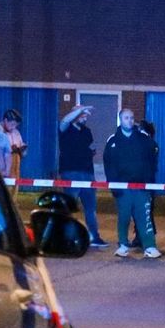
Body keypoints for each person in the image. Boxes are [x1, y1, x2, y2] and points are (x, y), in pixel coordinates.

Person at [104, 108, 161, 258]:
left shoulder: (143, 139)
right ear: (120, 120)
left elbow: (154, 153)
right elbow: (108, 164)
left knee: (144, 217)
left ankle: (150, 246)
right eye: (126, 118)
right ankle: (123, 245)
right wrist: (114, 186)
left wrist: (149, 179)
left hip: (141, 187)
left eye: (131, 118)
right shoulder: (112, 141)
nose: (129, 120)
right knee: (123, 217)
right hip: (122, 188)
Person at [59, 104, 109, 248]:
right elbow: (64, 122)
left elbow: (88, 147)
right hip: (71, 172)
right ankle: (65, 238)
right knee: (69, 207)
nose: (85, 117)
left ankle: (94, 236)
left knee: (90, 208)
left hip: (87, 173)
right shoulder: (66, 129)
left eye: (86, 115)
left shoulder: (87, 131)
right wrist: (80, 109)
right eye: (82, 115)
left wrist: (90, 153)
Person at [129, 119, 159, 248]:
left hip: (145, 183)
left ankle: (148, 238)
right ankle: (139, 237)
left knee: (146, 210)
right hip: (136, 182)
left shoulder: (150, 144)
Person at [0, 109, 27, 181]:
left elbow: (22, 148)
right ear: (5, 121)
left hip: (15, 172)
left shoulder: (16, 132)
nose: (14, 127)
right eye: (12, 124)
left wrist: (22, 150)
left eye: (16, 125)